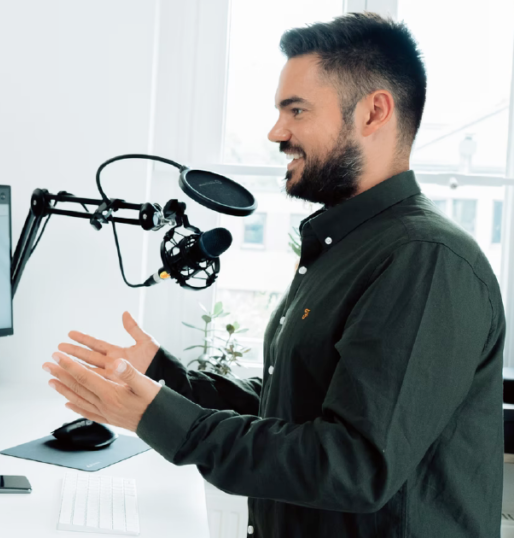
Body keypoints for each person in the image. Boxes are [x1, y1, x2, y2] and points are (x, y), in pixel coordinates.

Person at [43, 13, 503, 537]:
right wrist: (164, 377)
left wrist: (163, 419)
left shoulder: (426, 261)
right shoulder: (347, 247)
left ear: (374, 112)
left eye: (297, 110)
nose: (276, 132)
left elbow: (353, 467)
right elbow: (295, 399)